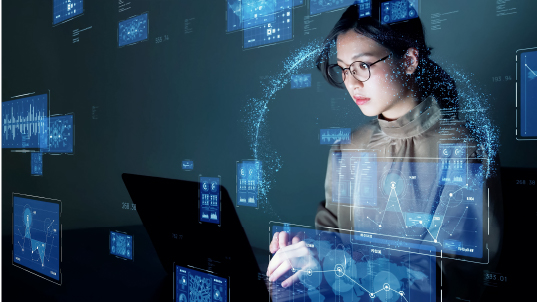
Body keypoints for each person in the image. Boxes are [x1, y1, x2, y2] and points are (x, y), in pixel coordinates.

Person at [267, 2, 502, 300]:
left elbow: (454, 274)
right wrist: (306, 247)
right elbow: (332, 240)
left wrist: (334, 265)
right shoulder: (348, 147)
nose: (351, 83)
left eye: (362, 66)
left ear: (409, 60)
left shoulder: (463, 146)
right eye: (343, 70)